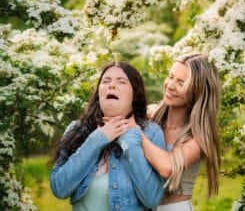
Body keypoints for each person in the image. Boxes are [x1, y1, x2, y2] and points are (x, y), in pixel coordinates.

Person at [50, 61, 166, 210]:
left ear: (134, 95)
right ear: (99, 92)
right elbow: (59, 188)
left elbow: (152, 199)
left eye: (121, 81)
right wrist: (98, 138)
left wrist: (130, 140)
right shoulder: (77, 129)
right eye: (106, 81)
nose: (111, 85)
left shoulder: (151, 133)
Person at [141, 53, 221, 210]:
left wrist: (134, 132)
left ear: (198, 91)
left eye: (181, 82)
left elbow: (167, 167)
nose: (170, 85)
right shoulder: (149, 116)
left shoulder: (199, 138)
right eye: (170, 77)